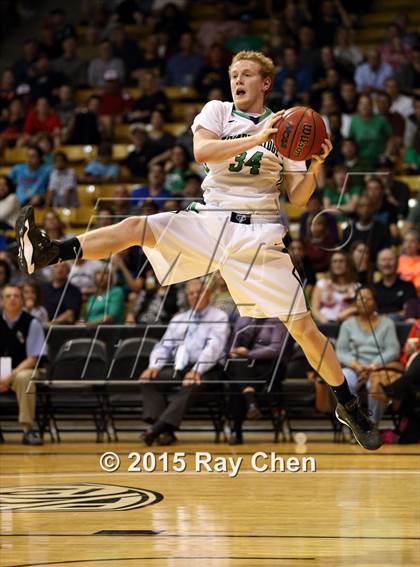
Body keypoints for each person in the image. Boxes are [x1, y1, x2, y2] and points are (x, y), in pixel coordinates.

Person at [15, 50, 383, 450]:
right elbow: (203, 152)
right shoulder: (218, 112)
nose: (238, 81)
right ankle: (51, 251)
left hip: (257, 234)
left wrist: (313, 166)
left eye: (247, 75)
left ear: (266, 83)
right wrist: (258, 138)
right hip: (210, 218)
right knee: (139, 226)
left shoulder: (286, 126)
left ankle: (347, 404)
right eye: (234, 75)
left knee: (305, 330)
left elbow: (297, 197)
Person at [139, 279, 229, 445]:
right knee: (149, 380)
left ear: (208, 294)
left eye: (199, 292)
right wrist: (154, 366)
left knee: (191, 384)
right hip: (181, 367)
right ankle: (164, 432)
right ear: (187, 297)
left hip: (209, 369)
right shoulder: (179, 319)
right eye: (191, 293)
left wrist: (197, 370)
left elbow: (214, 348)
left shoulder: (219, 317)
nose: (195, 296)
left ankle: (155, 430)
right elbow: (164, 346)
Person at [336, 287, 401, 425]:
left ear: (375, 302)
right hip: (353, 367)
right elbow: (341, 351)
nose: (363, 302)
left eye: (367, 298)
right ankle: (353, 423)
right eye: (360, 299)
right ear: (355, 303)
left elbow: (393, 349)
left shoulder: (387, 323)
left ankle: (371, 424)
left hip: (378, 368)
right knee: (344, 379)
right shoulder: (347, 324)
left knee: (375, 383)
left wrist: (372, 366)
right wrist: (357, 366)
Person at [227, 316, 289, 444]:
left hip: (269, 366)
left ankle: (237, 431)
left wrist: (249, 353)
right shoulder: (243, 319)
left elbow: (275, 349)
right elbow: (232, 345)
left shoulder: (277, 320)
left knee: (238, 381)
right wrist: (234, 351)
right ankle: (251, 402)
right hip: (245, 365)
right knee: (238, 367)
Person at [0, 284, 45, 444]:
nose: (12, 299)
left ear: (22, 300)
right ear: (2, 301)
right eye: (8, 296)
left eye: (16, 296)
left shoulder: (32, 323)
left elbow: (33, 358)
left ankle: (28, 430)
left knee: (24, 377)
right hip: (2, 372)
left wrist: (9, 377)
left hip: (25, 369)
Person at [311, 252, 359, 324]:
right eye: (334, 261)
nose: (338, 264)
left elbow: (358, 309)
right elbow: (314, 309)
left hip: (348, 325)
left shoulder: (357, 287)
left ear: (348, 264)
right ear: (331, 265)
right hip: (325, 324)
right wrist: (325, 322)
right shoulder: (321, 284)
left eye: (341, 261)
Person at [373, 248, 417, 319]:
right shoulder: (373, 288)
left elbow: (410, 311)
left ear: (397, 263)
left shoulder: (408, 286)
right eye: (384, 260)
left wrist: (388, 317)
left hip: (400, 324)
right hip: (376, 326)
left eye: (390, 259)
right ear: (378, 264)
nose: (387, 263)